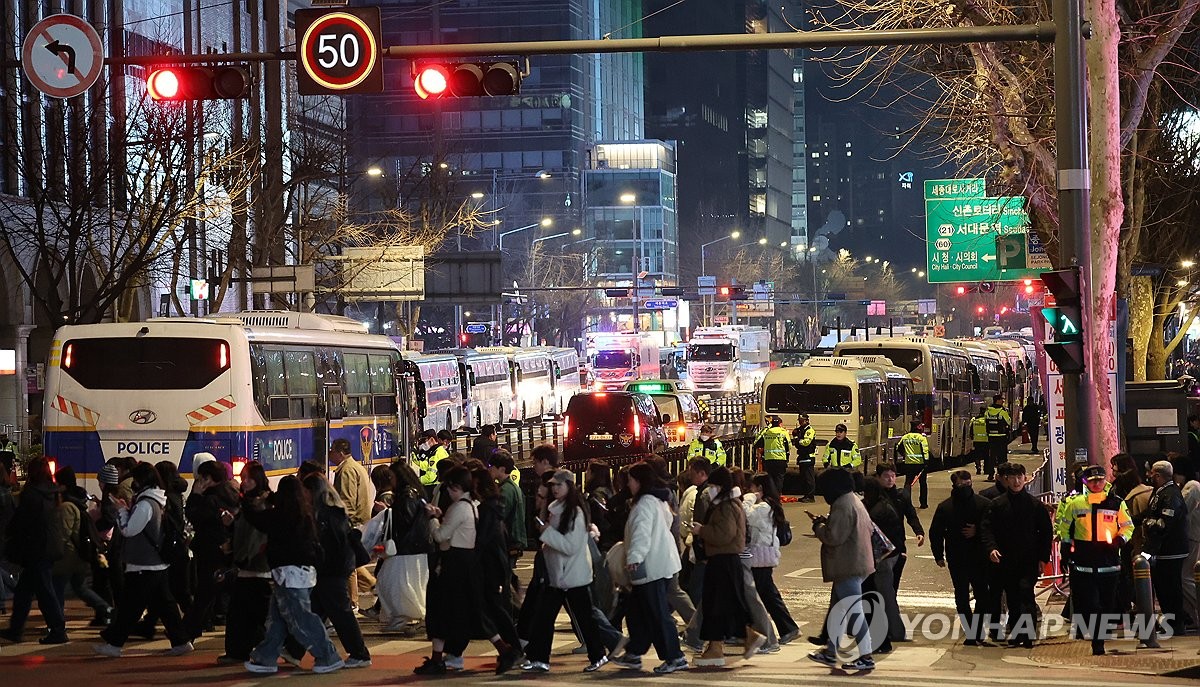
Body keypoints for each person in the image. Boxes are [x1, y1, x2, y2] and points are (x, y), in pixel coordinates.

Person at [241, 475, 344, 674]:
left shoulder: (280, 515)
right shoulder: (305, 513)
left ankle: (327, 655)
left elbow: (257, 519)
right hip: (302, 573)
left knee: (300, 619)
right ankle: (265, 657)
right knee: (279, 618)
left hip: (289, 575)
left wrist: (247, 500)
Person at [93, 462, 193, 657]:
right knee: (165, 605)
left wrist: (121, 510)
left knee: (130, 607)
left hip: (143, 563)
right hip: (155, 563)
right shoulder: (156, 500)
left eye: (135, 479)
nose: (133, 483)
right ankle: (181, 641)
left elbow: (129, 529)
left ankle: (114, 644)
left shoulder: (146, 503)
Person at [524, 469, 608, 673]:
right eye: (553, 485)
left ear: (569, 486)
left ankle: (598, 655)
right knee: (545, 618)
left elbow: (570, 546)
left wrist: (546, 533)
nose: (555, 488)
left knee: (584, 618)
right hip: (559, 576)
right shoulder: (556, 509)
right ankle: (539, 658)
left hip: (572, 575)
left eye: (559, 485)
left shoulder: (575, 513)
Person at [285, 474, 372, 669]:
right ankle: (294, 649)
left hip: (331, 571)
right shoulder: (335, 513)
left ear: (312, 492)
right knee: (317, 610)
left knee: (338, 613)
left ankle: (359, 653)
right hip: (333, 569)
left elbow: (328, 547)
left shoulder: (325, 516)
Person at [610, 462, 689, 674]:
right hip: (661, 562)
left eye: (630, 480)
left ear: (639, 481)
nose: (628, 484)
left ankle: (674, 656)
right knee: (638, 611)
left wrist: (634, 557)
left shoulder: (644, 504)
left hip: (650, 565)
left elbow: (641, 533)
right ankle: (634, 652)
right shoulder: (658, 500)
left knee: (656, 613)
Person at [1056, 464, 1134, 655]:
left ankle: (1100, 636)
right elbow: (1065, 530)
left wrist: (1120, 540)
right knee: (1090, 604)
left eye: (1100, 480)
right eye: (1092, 481)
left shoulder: (1116, 503)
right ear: (1086, 482)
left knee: (1107, 604)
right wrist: (1065, 553)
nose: (1097, 484)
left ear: (1105, 480)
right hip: (1083, 563)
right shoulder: (1075, 503)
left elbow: (1128, 526)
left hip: (1109, 563)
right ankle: (1096, 641)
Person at [414, 465, 483, 675]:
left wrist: (433, 518)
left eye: (451, 488)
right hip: (465, 561)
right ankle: (451, 655)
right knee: (457, 611)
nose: (449, 493)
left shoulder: (459, 507)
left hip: (452, 562)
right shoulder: (472, 505)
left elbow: (440, 536)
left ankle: (440, 658)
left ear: (456, 487)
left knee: (441, 610)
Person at [691, 467, 763, 666]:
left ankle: (716, 648)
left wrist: (702, 531)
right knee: (728, 604)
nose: (711, 490)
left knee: (716, 605)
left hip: (723, 560)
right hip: (725, 560)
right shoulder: (729, 503)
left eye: (714, 486)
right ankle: (748, 637)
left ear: (721, 486)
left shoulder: (726, 506)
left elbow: (725, 534)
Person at [806, 468, 876, 672]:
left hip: (848, 565)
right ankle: (830, 652)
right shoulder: (853, 500)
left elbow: (833, 537)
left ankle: (866, 655)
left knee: (854, 612)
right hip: (856, 562)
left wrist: (818, 527)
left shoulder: (842, 505)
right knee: (838, 611)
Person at [980, 461, 1052, 648]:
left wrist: (1043, 558)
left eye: (1020, 477)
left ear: (1025, 479)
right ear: (1006, 479)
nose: (1016, 481)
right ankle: (1018, 632)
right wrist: (991, 548)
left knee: (1026, 594)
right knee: (1013, 597)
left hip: (1028, 560)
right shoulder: (997, 504)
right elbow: (987, 529)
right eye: (1012, 478)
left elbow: (1046, 533)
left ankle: (1027, 635)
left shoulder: (1035, 505)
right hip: (1006, 561)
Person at [1, 457, 69, 645]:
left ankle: (57, 630)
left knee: (44, 592)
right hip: (49, 545)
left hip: (36, 548)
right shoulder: (53, 492)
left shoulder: (31, 493)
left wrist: (11, 537)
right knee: (25, 591)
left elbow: (21, 522)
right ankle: (16, 629)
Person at [930, 470, 992, 645]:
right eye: (961, 484)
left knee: (982, 595)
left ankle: (976, 630)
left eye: (967, 484)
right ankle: (971, 630)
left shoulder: (983, 504)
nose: (965, 487)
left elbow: (992, 528)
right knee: (962, 595)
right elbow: (936, 532)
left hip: (979, 556)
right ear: (954, 485)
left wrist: (977, 531)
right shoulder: (945, 507)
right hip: (957, 557)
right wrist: (938, 554)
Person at [221, 461, 272, 664]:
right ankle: (244, 651)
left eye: (249, 479)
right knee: (245, 614)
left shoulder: (262, 504)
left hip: (257, 567)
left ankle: (249, 651)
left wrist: (244, 557)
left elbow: (258, 537)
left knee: (251, 614)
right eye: (243, 478)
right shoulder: (247, 503)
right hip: (248, 567)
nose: (245, 482)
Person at [182, 458, 239, 640]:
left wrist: (195, 496)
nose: (199, 482)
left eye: (202, 478)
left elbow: (195, 516)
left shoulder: (210, 498)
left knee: (204, 592)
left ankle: (189, 631)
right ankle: (194, 627)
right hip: (226, 549)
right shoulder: (231, 493)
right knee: (212, 592)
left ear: (209, 478)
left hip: (210, 549)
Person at [375, 459, 432, 634]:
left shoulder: (407, 495)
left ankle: (405, 616)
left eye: (392, 476)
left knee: (392, 582)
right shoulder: (416, 493)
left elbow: (405, 520)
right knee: (401, 583)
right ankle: (404, 616)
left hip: (406, 547)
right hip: (414, 547)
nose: (390, 480)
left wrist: (386, 511)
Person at [52, 467, 111, 627]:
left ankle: (57, 623)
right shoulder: (78, 502)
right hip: (79, 554)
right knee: (80, 587)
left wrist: (54, 550)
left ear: (63, 485)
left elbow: (64, 533)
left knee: (57, 588)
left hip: (68, 556)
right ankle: (106, 608)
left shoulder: (67, 506)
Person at [747, 473, 799, 644]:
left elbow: (745, 514)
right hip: (763, 555)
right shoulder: (770, 505)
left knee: (765, 595)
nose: (750, 490)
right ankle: (786, 628)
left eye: (752, 487)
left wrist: (749, 498)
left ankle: (787, 628)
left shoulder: (763, 507)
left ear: (759, 488)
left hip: (760, 556)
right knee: (766, 594)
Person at [1142, 459, 1191, 635]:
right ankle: (1172, 621)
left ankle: (1176, 624)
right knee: (1163, 587)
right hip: (1163, 549)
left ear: (1157, 475)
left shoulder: (1170, 494)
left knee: (1170, 587)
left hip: (1171, 549)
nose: (1148, 476)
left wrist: (1147, 523)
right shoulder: (1161, 492)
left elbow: (1164, 523)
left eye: (1151, 473)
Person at [329, 438, 374, 611]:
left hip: (352, 523)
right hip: (359, 521)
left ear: (340, 453)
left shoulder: (347, 470)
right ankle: (374, 586)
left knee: (348, 566)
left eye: (332, 451)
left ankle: (353, 601)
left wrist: (342, 523)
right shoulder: (356, 467)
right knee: (354, 562)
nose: (330, 454)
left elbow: (347, 501)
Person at [861, 476, 903, 654]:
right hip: (887, 555)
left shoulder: (878, 510)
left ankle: (893, 632)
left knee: (882, 596)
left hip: (883, 558)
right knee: (882, 596)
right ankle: (890, 633)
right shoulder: (881, 504)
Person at [875, 461, 925, 591]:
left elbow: (911, 515)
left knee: (893, 585)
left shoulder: (901, 496)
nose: (890, 479)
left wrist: (919, 532)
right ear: (878, 477)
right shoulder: (874, 497)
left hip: (898, 545)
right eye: (886, 476)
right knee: (880, 586)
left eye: (893, 476)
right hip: (878, 547)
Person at [753, 416, 791, 495]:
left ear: (771, 423)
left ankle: (770, 495)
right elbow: (789, 446)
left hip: (768, 459)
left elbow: (756, 443)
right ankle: (777, 495)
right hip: (781, 459)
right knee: (779, 478)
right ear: (779, 423)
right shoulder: (783, 432)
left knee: (770, 478)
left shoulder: (766, 432)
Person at [897, 422, 931, 509]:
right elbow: (925, 451)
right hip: (920, 464)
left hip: (909, 463)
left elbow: (898, 447)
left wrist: (905, 455)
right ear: (918, 427)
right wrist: (926, 462)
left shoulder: (905, 437)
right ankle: (923, 503)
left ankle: (906, 502)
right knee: (923, 484)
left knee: (908, 483)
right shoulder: (921, 438)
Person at [823, 423, 863, 492]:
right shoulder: (830, 445)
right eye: (837, 432)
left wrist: (849, 465)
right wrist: (826, 464)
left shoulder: (851, 445)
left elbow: (858, 460)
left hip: (847, 473)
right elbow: (825, 457)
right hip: (834, 473)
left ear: (845, 433)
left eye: (841, 432)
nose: (838, 434)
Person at [791, 414, 817, 502]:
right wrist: (795, 437)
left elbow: (806, 442)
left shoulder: (810, 430)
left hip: (808, 456)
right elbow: (797, 443)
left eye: (802, 421)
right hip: (802, 456)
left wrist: (797, 440)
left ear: (807, 421)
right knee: (804, 478)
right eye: (799, 421)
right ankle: (806, 495)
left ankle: (810, 496)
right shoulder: (800, 430)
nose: (800, 422)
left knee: (809, 478)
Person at [983, 395, 1012, 473]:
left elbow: (985, 421)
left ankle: (990, 473)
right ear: (997, 400)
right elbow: (1008, 422)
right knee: (1001, 457)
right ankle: (1001, 473)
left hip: (991, 437)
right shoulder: (1002, 412)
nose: (1003, 401)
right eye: (1001, 399)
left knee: (992, 456)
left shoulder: (987, 412)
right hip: (1001, 437)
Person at [971, 409, 989, 476]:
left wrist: (972, 438)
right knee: (986, 456)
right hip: (986, 441)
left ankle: (978, 467)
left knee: (977, 456)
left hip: (977, 441)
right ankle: (986, 469)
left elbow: (971, 430)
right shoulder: (987, 421)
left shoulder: (974, 420)